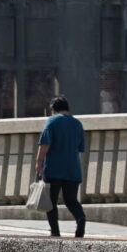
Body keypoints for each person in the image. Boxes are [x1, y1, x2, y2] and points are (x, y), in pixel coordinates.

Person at [34, 96, 86, 238]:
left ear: (52, 109)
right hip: (73, 169)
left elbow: (45, 143)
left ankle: (55, 231)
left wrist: (38, 161)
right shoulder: (77, 124)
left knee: (51, 202)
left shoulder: (51, 121)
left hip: (53, 168)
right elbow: (80, 147)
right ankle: (80, 218)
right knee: (71, 200)